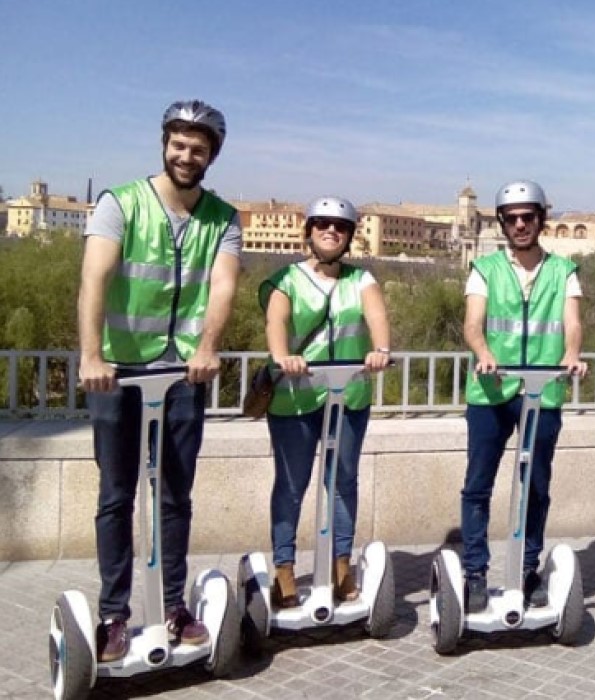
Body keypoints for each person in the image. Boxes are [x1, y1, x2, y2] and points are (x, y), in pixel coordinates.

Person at [77, 100, 242, 661]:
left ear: (211, 155)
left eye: (198, 147)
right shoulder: (120, 203)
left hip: (181, 375)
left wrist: (208, 347)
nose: (185, 155)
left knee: (175, 495)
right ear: (164, 143)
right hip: (118, 374)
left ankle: (173, 605)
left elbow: (222, 286)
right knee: (116, 495)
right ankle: (113, 615)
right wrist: (90, 355)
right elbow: (94, 280)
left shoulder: (223, 217)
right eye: (178, 143)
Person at [460, 180, 588, 613]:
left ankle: (528, 567)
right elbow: (473, 323)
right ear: (501, 222)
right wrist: (483, 352)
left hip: (542, 391)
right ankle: (475, 571)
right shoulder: (484, 268)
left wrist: (571, 354)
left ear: (540, 220)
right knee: (478, 485)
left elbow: (571, 323)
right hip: (491, 389)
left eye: (527, 217)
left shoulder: (563, 271)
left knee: (536, 485)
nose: (519, 225)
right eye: (511, 218)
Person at [260, 196, 392, 608]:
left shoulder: (361, 280)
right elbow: (275, 322)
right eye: (322, 225)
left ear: (350, 236)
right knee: (291, 484)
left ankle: (340, 566)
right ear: (310, 231)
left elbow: (376, 318)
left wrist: (381, 349)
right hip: (295, 398)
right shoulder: (287, 279)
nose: (331, 231)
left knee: (343, 483)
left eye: (340, 226)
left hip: (348, 395)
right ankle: (284, 569)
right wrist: (284, 357)